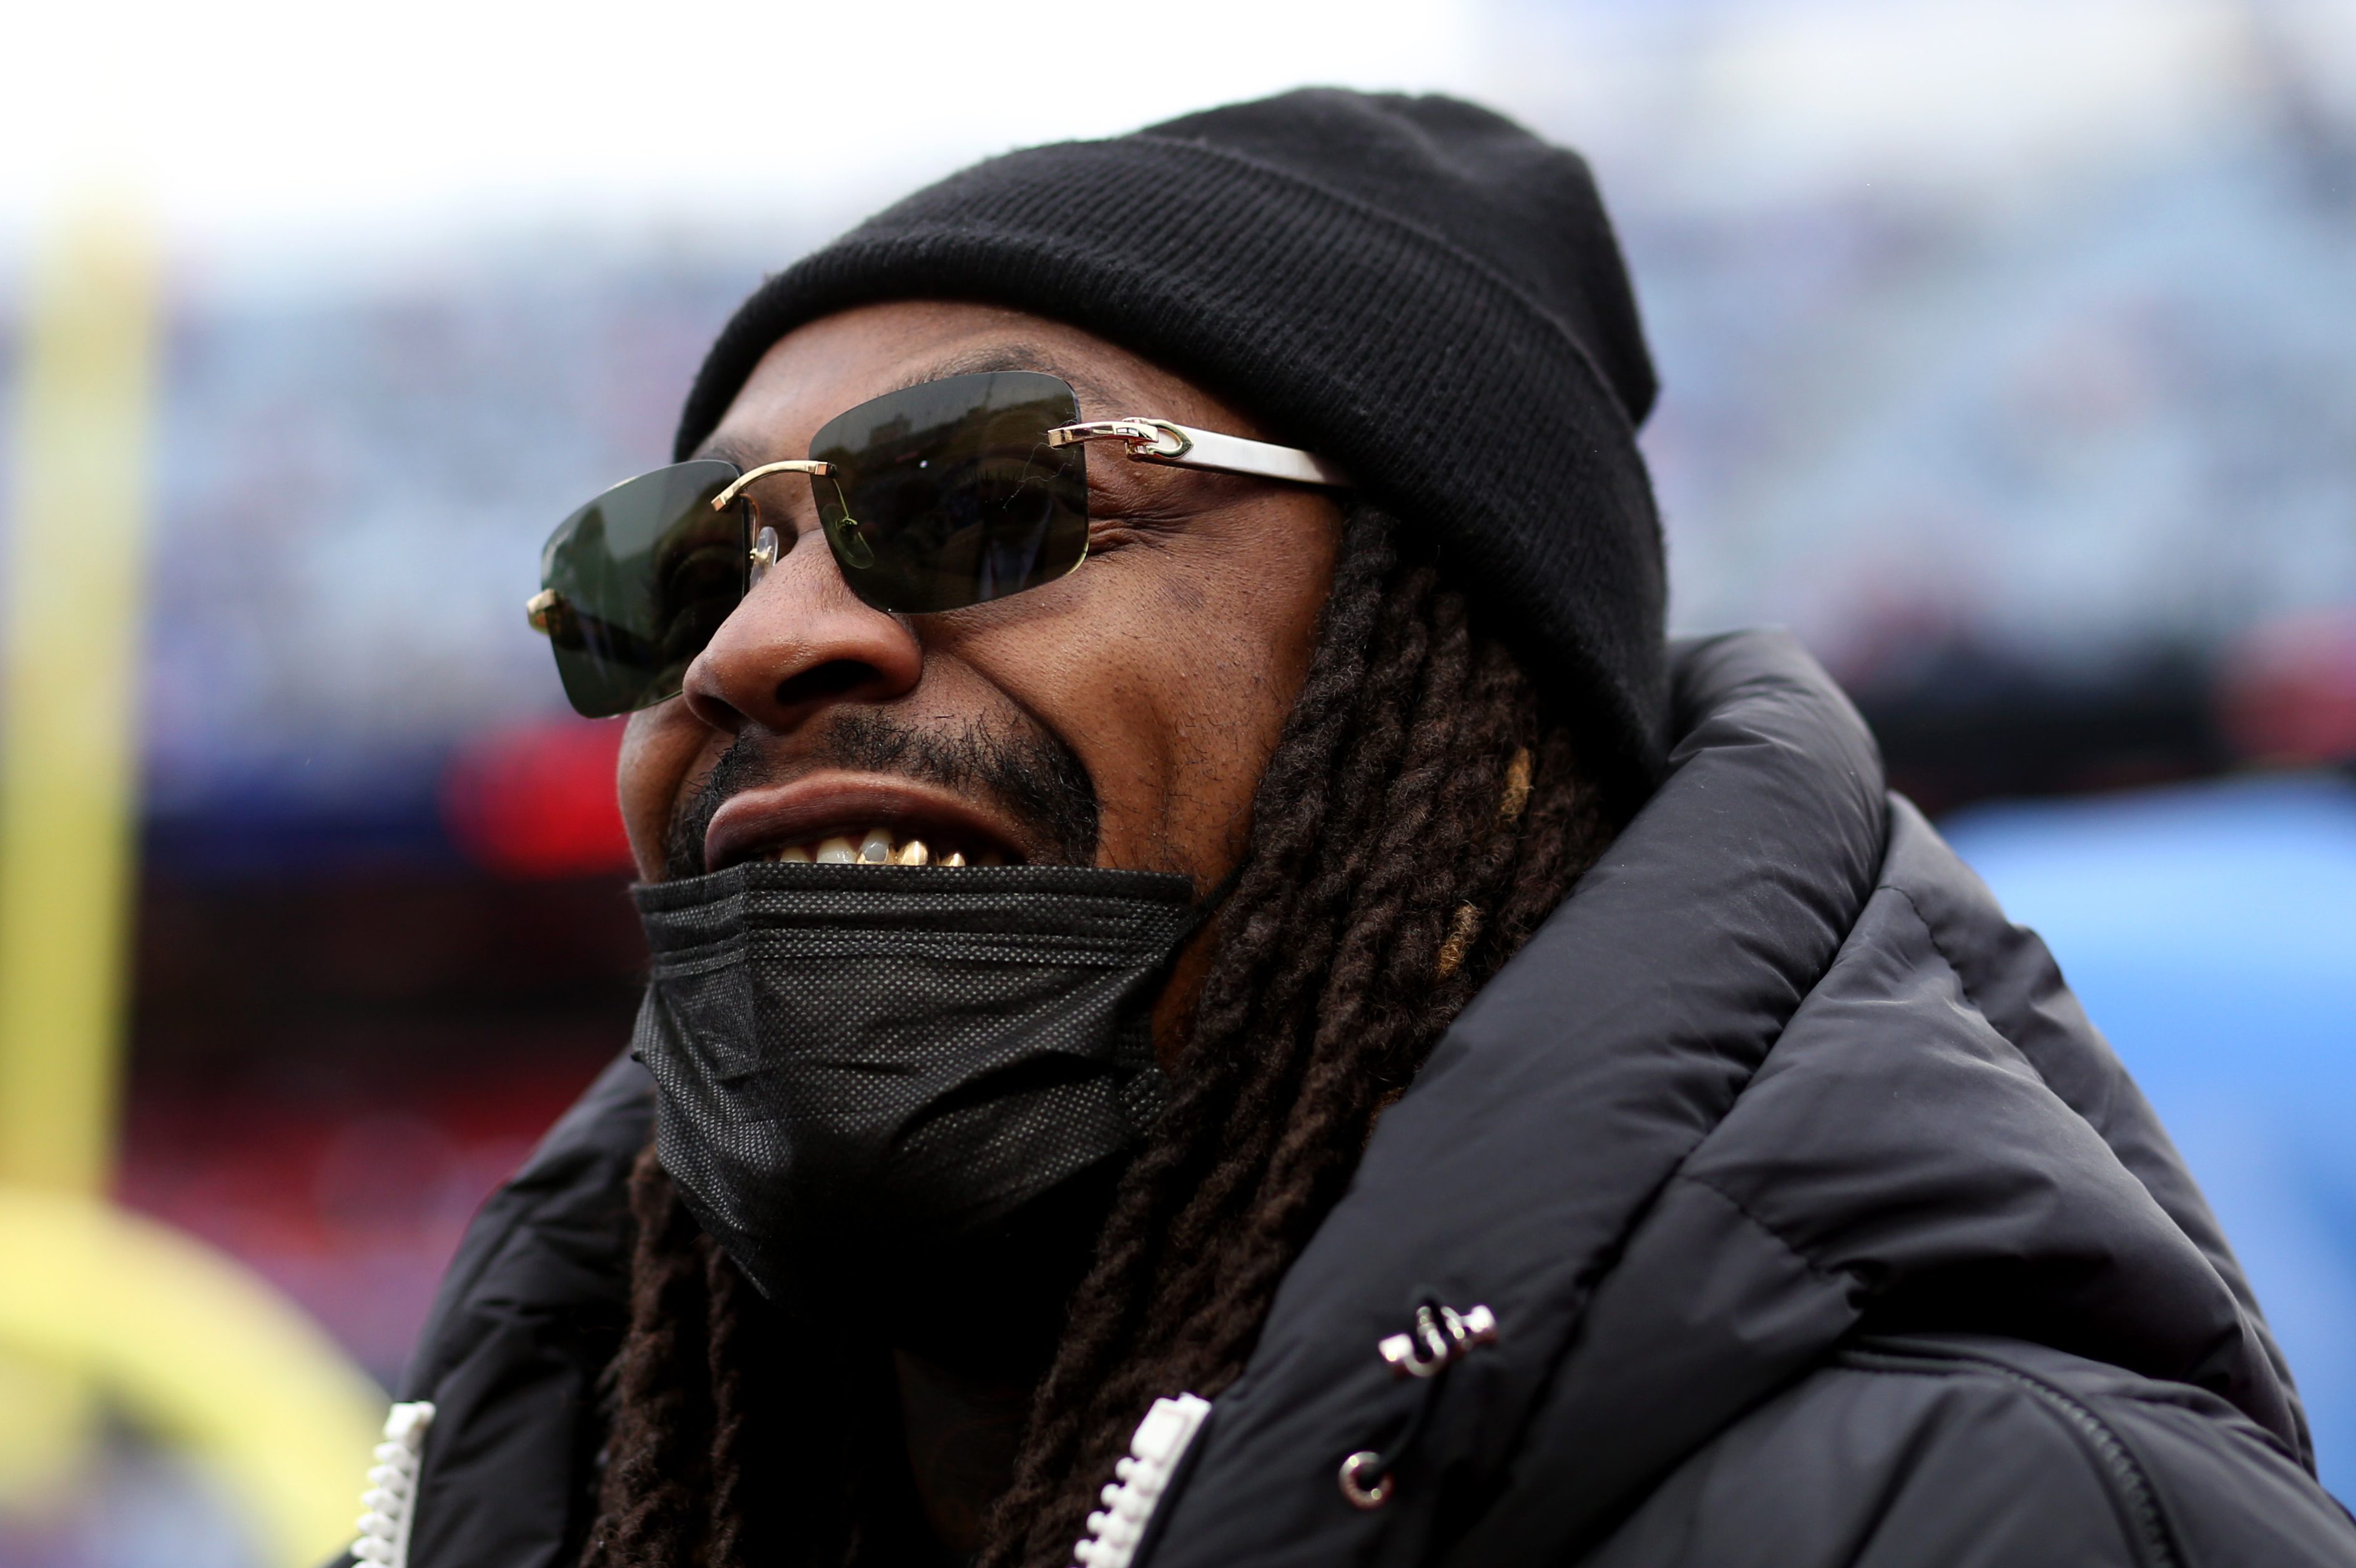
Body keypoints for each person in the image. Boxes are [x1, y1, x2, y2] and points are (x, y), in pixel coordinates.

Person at [354, 91, 2356, 1568]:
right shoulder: (553, 1500)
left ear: (1457, 701)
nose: (761, 643)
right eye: (679, 567)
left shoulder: (2000, 1528)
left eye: (980, 494)